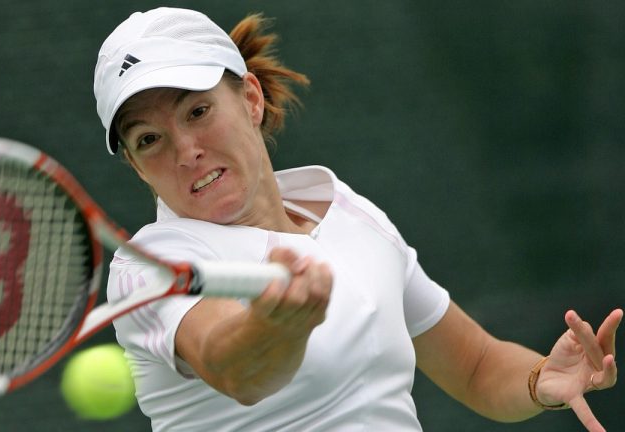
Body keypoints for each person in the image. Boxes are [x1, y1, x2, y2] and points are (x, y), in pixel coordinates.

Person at [93, 7, 621, 432]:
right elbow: (234, 369)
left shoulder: (345, 210)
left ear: (250, 98)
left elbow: (476, 366)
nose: (186, 151)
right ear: (139, 168)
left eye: (197, 112)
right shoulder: (153, 264)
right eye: (149, 140)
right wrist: (277, 326)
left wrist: (539, 380)